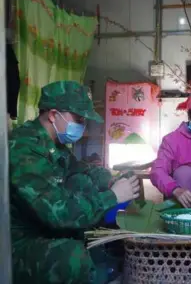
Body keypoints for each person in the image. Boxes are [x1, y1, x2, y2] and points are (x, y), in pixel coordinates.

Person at [9, 81, 141, 284]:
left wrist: (112, 179)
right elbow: (58, 213)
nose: (82, 126)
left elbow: (80, 170)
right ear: (53, 115)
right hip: (18, 245)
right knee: (72, 257)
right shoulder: (24, 150)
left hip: (45, 229)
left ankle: (102, 258)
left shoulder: (55, 144)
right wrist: (112, 196)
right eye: (78, 119)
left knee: (83, 182)